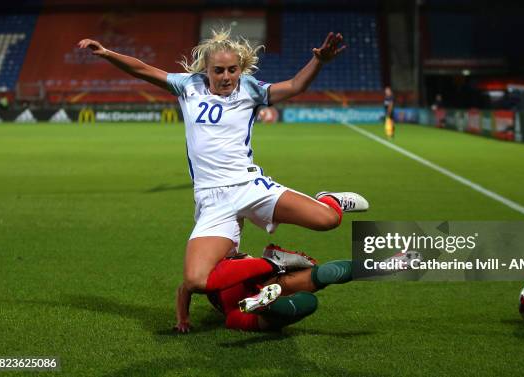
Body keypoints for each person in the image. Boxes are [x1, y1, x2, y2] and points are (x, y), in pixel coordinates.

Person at [78, 29, 369, 333]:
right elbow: (143, 70)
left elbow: (295, 85)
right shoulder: (187, 86)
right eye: (219, 70)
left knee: (327, 220)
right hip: (212, 200)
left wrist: (318, 61)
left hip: (248, 186)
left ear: (241, 69)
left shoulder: (251, 90)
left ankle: (330, 199)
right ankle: (274, 268)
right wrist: (107, 53)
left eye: (233, 69)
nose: (226, 76)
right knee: (196, 280)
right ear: (206, 69)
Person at [206, 244, 353, 331]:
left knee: (243, 317)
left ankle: (264, 306)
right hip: (248, 273)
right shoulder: (224, 257)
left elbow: (186, 286)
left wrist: (183, 319)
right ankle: (369, 265)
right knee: (311, 291)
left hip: (232, 294)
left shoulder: (202, 269)